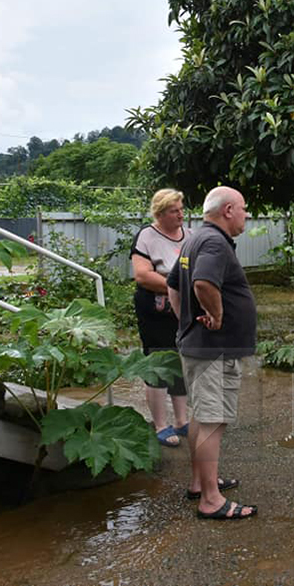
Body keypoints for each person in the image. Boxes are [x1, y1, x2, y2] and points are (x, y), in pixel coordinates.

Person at [167, 186, 257, 520]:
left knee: (202, 417)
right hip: (213, 351)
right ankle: (211, 499)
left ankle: (199, 482)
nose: (246, 215)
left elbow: (173, 285)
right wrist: (215, 317)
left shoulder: (193, 239)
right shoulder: (215, 243)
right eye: (244, 209)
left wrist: (186, 322)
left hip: (200, 347)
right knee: (212, 421)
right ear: (229, 209)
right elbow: (202, 283)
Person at [131, 189, 190, 447]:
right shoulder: (147, 236)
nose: (180, 214)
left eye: (181, 209)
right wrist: (175, 286)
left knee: (179, 362)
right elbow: (143, 275)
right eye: (174, 210)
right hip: (155, 310)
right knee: (157, 362)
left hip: (182, 308)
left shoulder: (189, 235)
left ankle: (181, 420)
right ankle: (160, 425)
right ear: (160, 213)